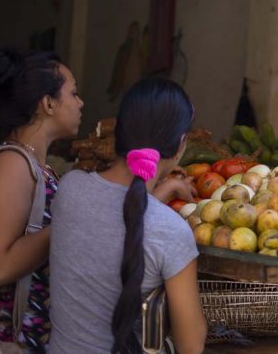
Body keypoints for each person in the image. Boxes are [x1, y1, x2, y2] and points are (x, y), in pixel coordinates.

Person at [49, 78, 207, 353]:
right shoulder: (170, 231)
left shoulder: (70, 188)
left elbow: (118, 217)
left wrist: (163, 191)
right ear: (181, 145)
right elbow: (191, 346)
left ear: (118, 132)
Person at [0, 46, 84, 351]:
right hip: (6, 340)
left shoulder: (35, 165)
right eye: (73, 93)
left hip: (31, 336)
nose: (80, 103)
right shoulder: (11, 164)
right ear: (48, 103)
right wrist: (70, 223)